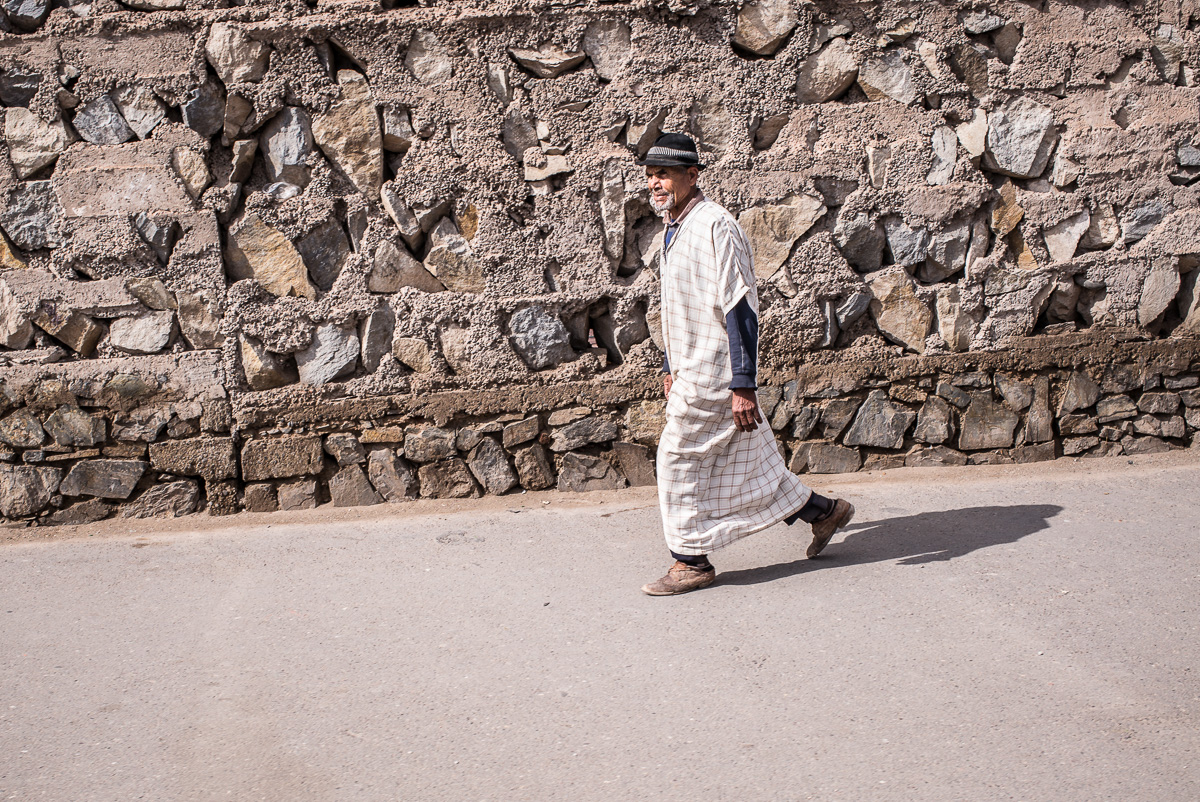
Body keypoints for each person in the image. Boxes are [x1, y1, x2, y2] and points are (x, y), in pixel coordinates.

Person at [638, 133, 855, 596]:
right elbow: (675, 306)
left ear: (691, 175)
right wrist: (669, 364)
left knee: (675, 459)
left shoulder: (717, 225)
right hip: (689, 368)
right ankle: (824, 512)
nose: (655, 183)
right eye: (651, 174)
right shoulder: (672, 229)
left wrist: (743, 384)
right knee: (750, 465)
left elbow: (740, 307)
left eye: (665, 174)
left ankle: (690, 562)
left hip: (715, 372)